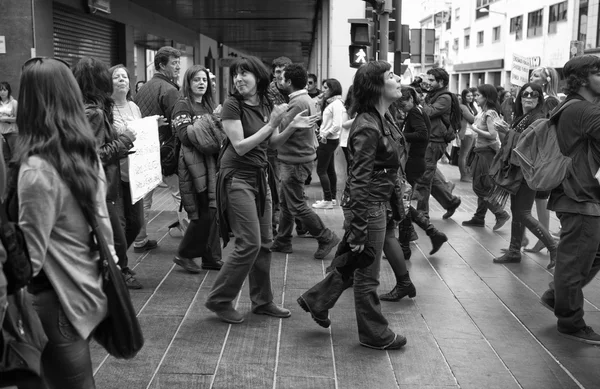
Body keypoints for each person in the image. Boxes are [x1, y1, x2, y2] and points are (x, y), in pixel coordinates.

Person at [17, 57, 116, 388]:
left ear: (29, 102)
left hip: (54, 300)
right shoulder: (84, 152)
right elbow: (104, 227)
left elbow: (29, 259)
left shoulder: (36, 170)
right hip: (87, 287)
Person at [298, 60, 407, 350]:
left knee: (353, 263)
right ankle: (374, 334)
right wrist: (359, 228)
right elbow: (358, 181)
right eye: (391, 75)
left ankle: (317, 301)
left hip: (375, 204)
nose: (398, 79)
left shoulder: (383, 118)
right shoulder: (368, 126)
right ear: (376, 86)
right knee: (367, 277)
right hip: (368, 206)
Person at [205, 55, 317, 324]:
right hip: (236, 178)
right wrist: (272, 123)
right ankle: (219, 300)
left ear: (258, 77)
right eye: (235, 75)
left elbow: (272, 144)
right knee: (249, 243)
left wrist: (289, 126)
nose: (239, 79)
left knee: (265, 243)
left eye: (244, 74)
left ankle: (262, 301)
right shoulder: (233, 105)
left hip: (260, 177)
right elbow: (241, 146)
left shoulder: (267, 103)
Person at [539, 55, 600, 345]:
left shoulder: (572, 106)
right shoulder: (585, 110)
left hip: (577, 194)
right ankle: (571, 321)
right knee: (573, 262)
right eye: (598, 72)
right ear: (583, 78)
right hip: (580, 196)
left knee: (587, 254)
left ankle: (557, 295)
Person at [73, 57, 141, 291]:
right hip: (101, 186)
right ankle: (114, 280)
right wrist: (124, 140)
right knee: (116, 240)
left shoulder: (77, 107)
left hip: (89, 185)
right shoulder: (94, 113)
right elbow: (97, 155)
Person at [269, 63, 340, 259]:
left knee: (296, 204)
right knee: (286, 203)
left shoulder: (297, 102)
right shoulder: (305, 99)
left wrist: (274, 117)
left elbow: (280, 128)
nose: (278, 81)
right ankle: (283, 240)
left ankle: (325, 236)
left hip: (294, 161)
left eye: (282, 79)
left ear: (289, 82)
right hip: (298, 158)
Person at [491, 83, 557, 268]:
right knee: (517, 211)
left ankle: (553, 247)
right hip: (519, 169)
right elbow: (514, 144)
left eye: (533, 94)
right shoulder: (523, 116)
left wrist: (507, 132)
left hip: (527, 171)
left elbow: (534, 144)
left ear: (539, 98)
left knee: (523, 212)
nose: (528, 97)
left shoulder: (538, 117)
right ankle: (514, 251)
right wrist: (506, 131)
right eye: (525, 94)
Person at [171, 64, 224, 273]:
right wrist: (212, 122)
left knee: (212, 210)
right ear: (188, 83)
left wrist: (212, 122)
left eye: (204, 80)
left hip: (210, 164)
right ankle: (184, 253)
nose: (201, 83)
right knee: (203, 212)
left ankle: (210, 257)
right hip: (193, 166)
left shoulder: (209, 105)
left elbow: (217, 136)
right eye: (196, 80)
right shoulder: (182, 105)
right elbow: (186, 136)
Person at [134, 45, 182, 249]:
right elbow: (177, 122)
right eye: (174, 64)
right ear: (162, 65)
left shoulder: (142, 88)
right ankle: (190, 243)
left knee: (144, 199)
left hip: (144, 150)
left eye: (179, 63)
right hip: (166, 151)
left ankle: (139, 239)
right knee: (180, 195)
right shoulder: (170, 90)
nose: (178, 67)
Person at [109, 64, 148, 289]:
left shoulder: (134, 106)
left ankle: (115, 261)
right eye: (116, 76)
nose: (122, 79)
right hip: (115, 174)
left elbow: (140, 133)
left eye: (124, 76)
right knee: (119, 225)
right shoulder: (106, 110)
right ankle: (120, 268)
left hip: (134, 174)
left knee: (136, 223)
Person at [413, 68, 462, 220]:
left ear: (441, 82)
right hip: (429, 140)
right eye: (427, 79)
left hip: (435, 142)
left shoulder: (445, 98)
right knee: (430, 177)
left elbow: (427, 112)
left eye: (431, 80)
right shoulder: (433, 95)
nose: (428, 83)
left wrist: (418, 100)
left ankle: (422, 213)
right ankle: (450, 202)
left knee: (424, 178)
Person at [462, 84, 510, 230]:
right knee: (483, 184)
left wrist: (475, 129)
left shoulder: (490, 113)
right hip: (480, 151)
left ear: (486, 97)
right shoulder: (483, 112)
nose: (475, 98)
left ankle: (500, 213)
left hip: (487, 153)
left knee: (479, 186)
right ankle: (479, 217)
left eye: (478, 95)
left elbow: (493, 135)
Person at [529, 66, 561, 252]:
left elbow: (550, 128)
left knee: (540, 198)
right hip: (538, 153)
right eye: (532, 74)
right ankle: (544, 237)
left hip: (544, 155)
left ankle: (545, 238)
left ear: (547, 80)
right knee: (538, 199)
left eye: (536, 75)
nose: (532, 77)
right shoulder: (540, 99)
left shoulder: (550, 101)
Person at [312, 78, 344, 209]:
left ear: (333, 89)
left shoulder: (336, 104)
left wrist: (323, 134)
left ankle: (327, 199)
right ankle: (331, 198)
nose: (324, 90)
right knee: (330, 170)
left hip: (327, 140)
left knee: (321, 170)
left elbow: (337, 125)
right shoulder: (332, 103)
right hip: (329, 140)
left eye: (326, 88)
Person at [458, 88, 477, 182]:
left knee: (467, 154)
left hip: (471, 132)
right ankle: (463, 175)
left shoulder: (470, 106)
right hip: (466, 132)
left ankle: (466, 174)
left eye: (471, 96)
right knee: (463, 155)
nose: (471, 97)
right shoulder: (463, 106)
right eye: (468, 96)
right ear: (464, 97)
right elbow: (471, 119)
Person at [0, 81, 18, 163]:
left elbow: (18, 118)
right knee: (4, 157)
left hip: (12, 132)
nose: (2, 92)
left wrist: (5, 119)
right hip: (1, 133)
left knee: (15, 155)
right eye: (0, 90)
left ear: (8, 91)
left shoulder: (14, 102)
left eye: (4, 90)